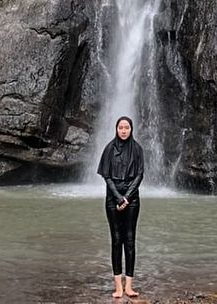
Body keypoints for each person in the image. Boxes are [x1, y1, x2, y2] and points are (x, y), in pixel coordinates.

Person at [97, 116, 145, 298]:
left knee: (130, 240)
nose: (124, 131)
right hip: (112, 199)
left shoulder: (138, 149)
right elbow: (106, 176)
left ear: (131, 129)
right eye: (120, 127)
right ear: (116, 129)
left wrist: (126, 197)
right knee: (117, 241)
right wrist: (118, 198)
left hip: (132, 200)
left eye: (127, 127)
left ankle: (129, 286)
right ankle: (118, 286)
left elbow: (139, 175)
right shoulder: (109, 149)